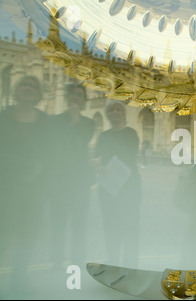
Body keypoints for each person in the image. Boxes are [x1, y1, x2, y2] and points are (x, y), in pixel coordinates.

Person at [0, 75, 52, 293]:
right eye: (24, 84)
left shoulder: (45, 121)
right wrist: (23, 165)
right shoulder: (3, 117)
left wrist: (41, 169)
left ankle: (19, 279)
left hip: (34, 190)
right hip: (6, 187)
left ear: (39, 93)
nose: (28, 88)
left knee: (27, 235)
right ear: (16, 89)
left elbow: (52, 153)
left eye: (33, 86)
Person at [47, 82, 95, 268]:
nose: (75, 97)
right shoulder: (54, 121)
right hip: (58, 181)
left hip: (80, 183)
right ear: (67, 98)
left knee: (79, 225)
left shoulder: (89, 124)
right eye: (73, 94)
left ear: (84, 102)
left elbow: (79, 144)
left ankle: (77, 261)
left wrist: (75, 122)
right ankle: (56, 262)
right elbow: (56, 146)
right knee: (58, 224)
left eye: (79, 95)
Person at [94, 100, 142, 267]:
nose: (114, 112)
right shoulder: (103, 136)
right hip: (108, 187)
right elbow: (98, 156)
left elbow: (128, 155)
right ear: (107, 115)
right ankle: (113, 260)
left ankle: (130, 264)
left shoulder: (131, 133)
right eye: (111, 110)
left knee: (130, 226)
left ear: (123, 114)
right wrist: (102, 162)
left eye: (118, 110)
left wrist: (105, 160)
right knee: (110, 224)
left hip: (129, 187)